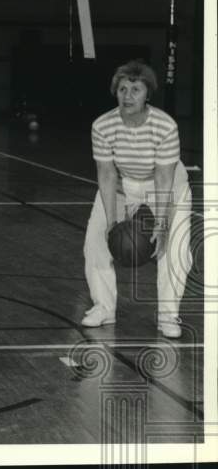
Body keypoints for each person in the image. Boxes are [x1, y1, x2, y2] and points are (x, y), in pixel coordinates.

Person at [82, 60, 193, 338]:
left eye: (135, 89)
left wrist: (163, 222)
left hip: (166, 185)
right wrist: (110, 222)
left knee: (174, 248)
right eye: (122, 89)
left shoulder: (165, 125)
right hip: (123, 184)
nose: (127, 96)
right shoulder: (102, 125)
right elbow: (106, 175)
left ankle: (169, 315)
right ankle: (103, 307)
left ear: (147, 94)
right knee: (95, 242)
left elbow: (164, 178)